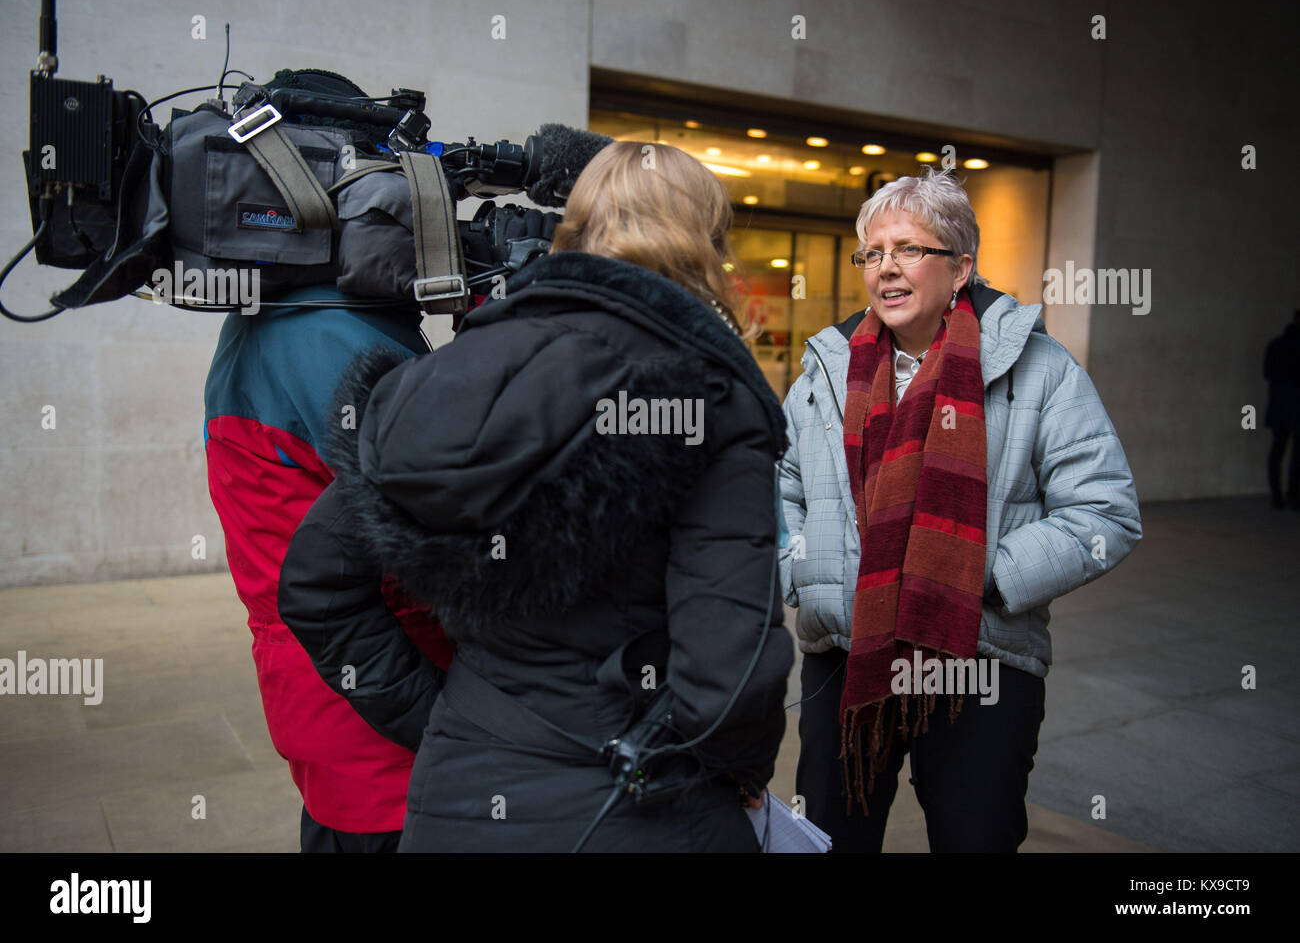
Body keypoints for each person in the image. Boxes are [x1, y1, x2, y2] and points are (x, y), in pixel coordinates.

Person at [278, 140, 794, 852]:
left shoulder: (449, 371)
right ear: (707, 242)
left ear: (575, 228)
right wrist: (742, 772)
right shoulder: (711, 397)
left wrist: (447, 716)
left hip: (451, 798)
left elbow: (314, 582)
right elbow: (729, 683)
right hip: (636, 808)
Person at [778, 167, 1142, 852]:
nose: (886, 268)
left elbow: (1105, 510)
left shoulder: (1040, 368)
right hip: (847, 653)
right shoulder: (826, 369)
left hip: (978, 658)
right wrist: (806, 571)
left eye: (909, 249)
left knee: (975, 836)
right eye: (873, 253)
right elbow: (780, 488)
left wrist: (982, 577)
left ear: (961, 267)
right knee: (829, 838)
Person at [204, 286, 453, 852]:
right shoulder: (331, 335)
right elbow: (445, 509)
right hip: (385, 707)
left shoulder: (267, 322)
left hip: (322, 695)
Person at [1264, 311, 1300, 509]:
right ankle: (1293, 496)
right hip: (1292, 406)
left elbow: (1267, 373)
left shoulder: (1276, 345)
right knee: (1293, 454)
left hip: (1279, 407)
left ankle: (1278, 496)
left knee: (1278, 450)